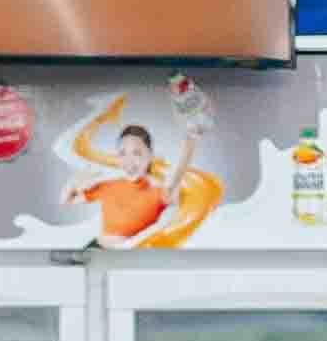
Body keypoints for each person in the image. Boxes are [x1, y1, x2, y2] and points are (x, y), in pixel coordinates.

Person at [58, 97, 223, 247]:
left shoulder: (159, 193)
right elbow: (65, 201)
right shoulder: (108, 186)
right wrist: (75, 181)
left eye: (137, 153)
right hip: (95, 253)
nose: (129, 160)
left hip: (132, 259)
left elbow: (179, 174)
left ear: (150, 156)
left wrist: (191, 140)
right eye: (123, 153)